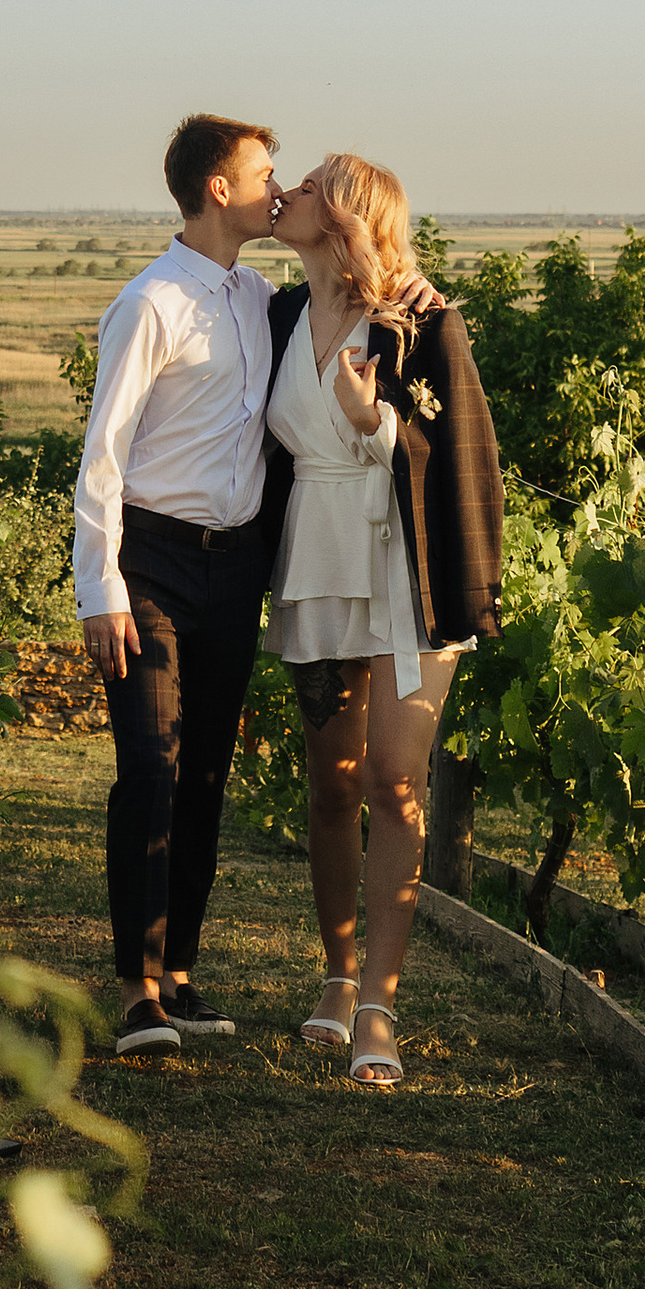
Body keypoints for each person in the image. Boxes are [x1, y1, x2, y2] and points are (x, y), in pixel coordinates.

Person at [263, 153, 503, 1091]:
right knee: (332, 782)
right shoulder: (276, 312)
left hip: (407, 569)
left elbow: (452, 452)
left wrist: (375, 422)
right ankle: (334, 972)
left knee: (398, 782)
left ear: (347, 214)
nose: (288, 193)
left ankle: (379, 1004)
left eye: (312, 183)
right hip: (317, 562)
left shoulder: (423, 321)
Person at [74, 113, 284, 1056]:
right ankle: (135, 994)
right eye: (264, 173)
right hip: (150, 563)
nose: (277, 189)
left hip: (236, 567)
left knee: (205, 771)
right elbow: (104, 455)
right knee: (150, 770)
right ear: (218, 189)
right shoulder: (150, 303)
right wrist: (100, 590)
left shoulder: (260, 296)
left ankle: (183, 976)